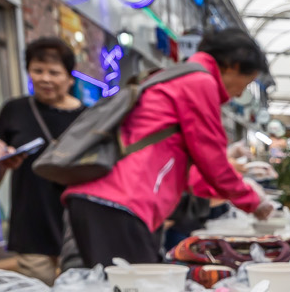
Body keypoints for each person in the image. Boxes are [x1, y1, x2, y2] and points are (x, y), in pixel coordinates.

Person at [63, 29, 273, 268]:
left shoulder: (175, 77)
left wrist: (240, 192)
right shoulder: (199, 81)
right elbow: (212, 160)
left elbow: (194, 175)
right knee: (137, 287)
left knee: (119, 285)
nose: (240, 93)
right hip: (121, 202)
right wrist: (251, 199)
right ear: (233, 66)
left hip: (103, 199)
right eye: (246, 83)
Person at [0, 37, 84, 284]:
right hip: (31, 217)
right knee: (38, 290)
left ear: (70, 78)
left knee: (78, 288)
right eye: (37, 71)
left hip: (76, 217)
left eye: (54, 72)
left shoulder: (87, 117)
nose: (45, 78)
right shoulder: (14, 110)